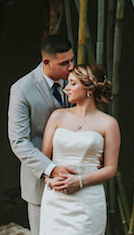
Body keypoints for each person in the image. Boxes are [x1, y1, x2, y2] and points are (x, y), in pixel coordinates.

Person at [38, 63, 119, 235]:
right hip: (56, 199)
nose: (67, 88)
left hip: (88, 198)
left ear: (89, 88)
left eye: (73, 83)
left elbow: (111, 169)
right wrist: (49, 181)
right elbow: (43, 160)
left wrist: (80, 181)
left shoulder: (108, 123)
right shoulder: (57, 116)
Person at [8, 35, 77, 235]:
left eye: (72, 60)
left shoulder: (76, 80)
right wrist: (51, 169)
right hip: (40, 182)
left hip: (75, 176)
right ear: (46, 62)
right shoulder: (22, 89)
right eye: (65, 63)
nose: (71, 67)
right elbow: (19, 141)